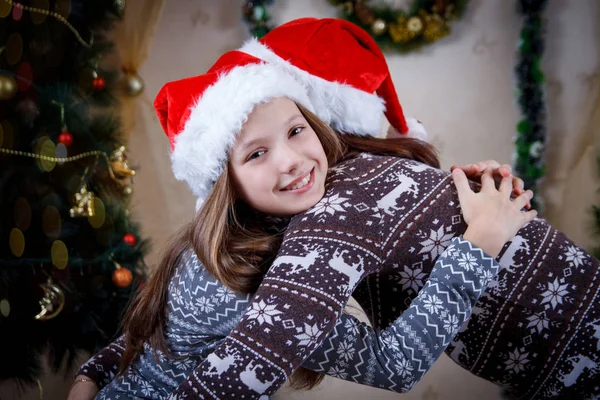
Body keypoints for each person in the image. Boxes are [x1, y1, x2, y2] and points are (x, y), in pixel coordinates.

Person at [70, 18, 598, 400]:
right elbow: (392, 363)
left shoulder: (256, 237)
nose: (293, 161)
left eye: (297, 131)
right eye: (256, 154)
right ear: (223, 184)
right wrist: (481, 238)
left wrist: (459, 189)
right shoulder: (282, 267)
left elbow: (157, 340)